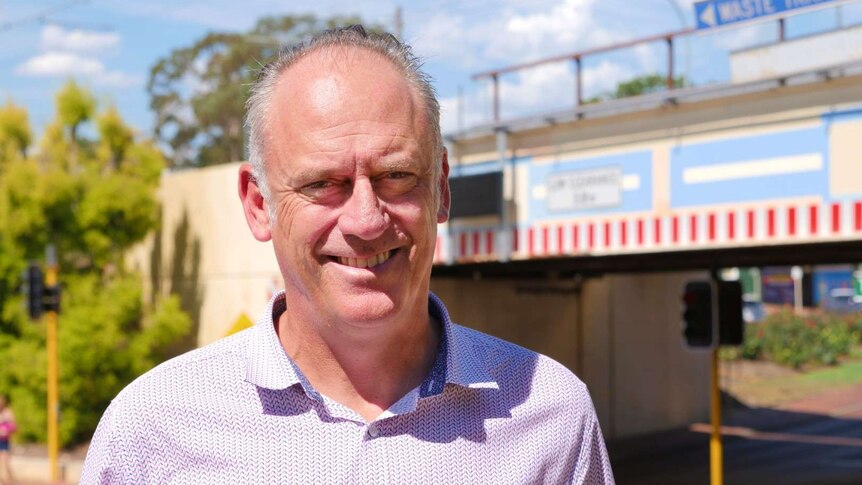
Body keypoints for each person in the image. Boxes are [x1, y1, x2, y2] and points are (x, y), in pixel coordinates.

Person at [81, 25, 614, 483]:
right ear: (258, 203)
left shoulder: (552, 414)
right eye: (323, 183)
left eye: (396, 176)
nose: (366, 220)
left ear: (442, 189)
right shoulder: (153, 429)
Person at [0, 394, 16, 485]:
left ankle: (9, 480)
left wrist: (6, 430)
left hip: (4, 441)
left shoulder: (7, 413)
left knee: (5, 462)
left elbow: (13, 426)